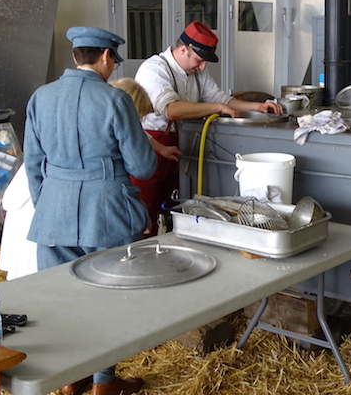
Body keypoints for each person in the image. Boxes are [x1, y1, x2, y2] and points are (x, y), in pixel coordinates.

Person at [24, 27, 156, 395]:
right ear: (106, 56)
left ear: (74, 56)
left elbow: (33, 165)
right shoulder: (116, 100)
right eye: (114, 60)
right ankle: (103, 383)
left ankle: (70, 377)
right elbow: (143, 167)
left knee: (60, 300)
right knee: (108, 300)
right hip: (107, 213)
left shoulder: (40, 97)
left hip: (53, 213)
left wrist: (48, 206)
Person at [133, 20, 282, 223]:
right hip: (153, 145)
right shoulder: (155, 69)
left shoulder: (197, 71)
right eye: (199, 60)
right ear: (183, 50)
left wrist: (257, 106)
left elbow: (221, 99)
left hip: (181, 144)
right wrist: (216, 108)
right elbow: (171, 110)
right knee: (146, 209)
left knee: (174, 206)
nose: (202, 66)